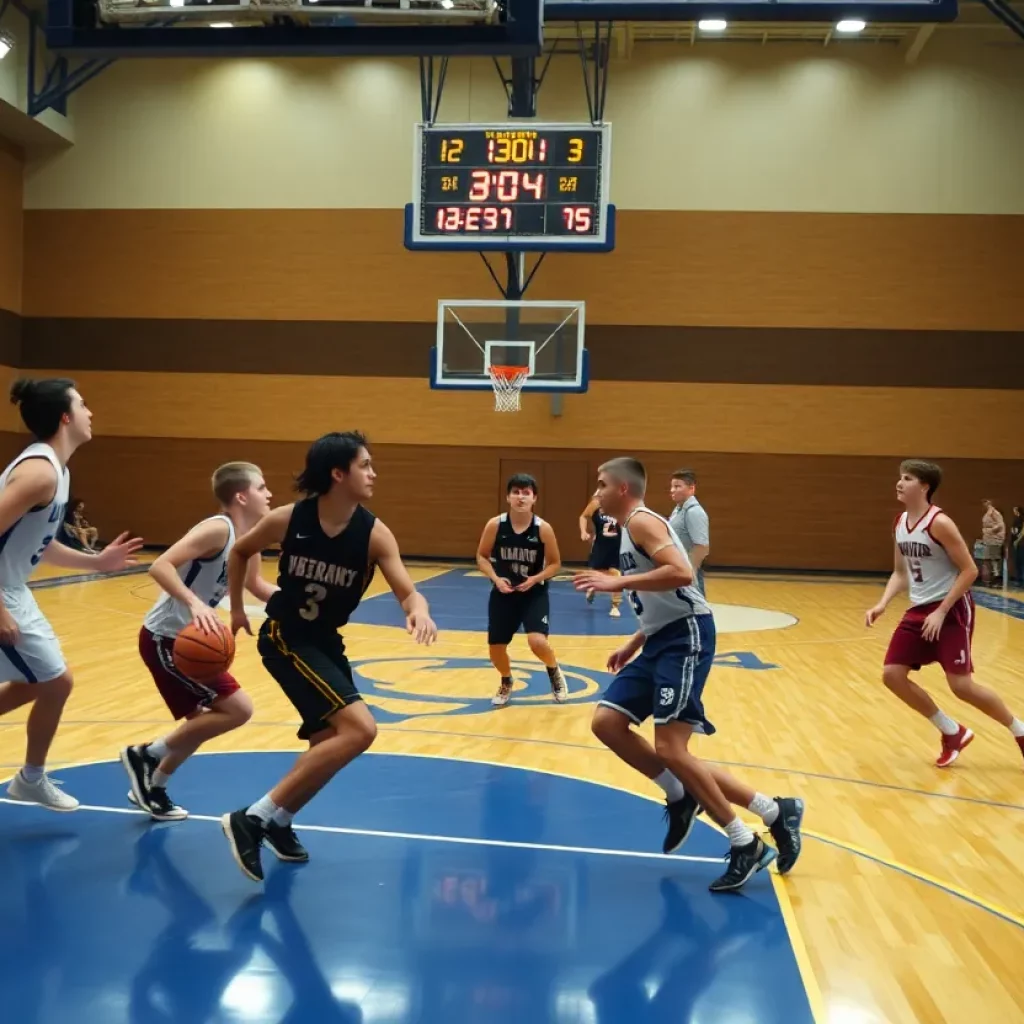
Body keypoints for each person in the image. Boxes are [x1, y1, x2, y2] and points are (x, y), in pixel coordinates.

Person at [575, 458, 803, 893]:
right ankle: (770, 810)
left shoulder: (642, 522)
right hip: (660, 637)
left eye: (601, 485)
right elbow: (665, 592)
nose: (597, 492)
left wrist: (616, 585)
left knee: (673, 748)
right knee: (607, 722)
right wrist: (635, 639)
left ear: (622, 488)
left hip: (687, 636)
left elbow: (682, 575)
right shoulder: (626, 528)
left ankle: (744, 842)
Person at [220, 432, 437, 882]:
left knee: (328, 746)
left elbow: (408, 590)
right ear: (338, 474)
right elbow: (241, 550)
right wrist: (239, 610)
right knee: (361, 729)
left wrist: (418, 612)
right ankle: (255, 818)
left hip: (326, 641)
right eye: (365, 465)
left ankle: (278, 821)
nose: (374, 473)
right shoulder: (290, 518)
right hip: (285, 636)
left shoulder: (374, 533)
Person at [0, 378, 142, 812]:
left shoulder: (56, 470)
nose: (90, 412)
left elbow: (39, 542)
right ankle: (31, 778)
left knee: (40, 681)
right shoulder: (40, 471)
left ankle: (31, 777)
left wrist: (96, 563)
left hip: (13, 588)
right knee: (55, 681)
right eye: (83, 404)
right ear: (65, 417)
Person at [119, 462, 278, 821]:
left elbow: (257, 586)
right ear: (241, 495)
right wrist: (194, 602)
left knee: (199, 722)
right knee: (238, 709)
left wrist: (300, 604)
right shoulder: (217, 528)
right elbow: (160, 565)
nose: (269, 494)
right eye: (262, 487)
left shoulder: (250, 539)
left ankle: (152, 784)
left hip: (189, 639)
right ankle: (145, 756)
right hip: (167, 638)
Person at [866, 460, 1024, 767]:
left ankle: (1020, 731)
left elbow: (970, 570)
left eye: (907, 478)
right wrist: (882, 603)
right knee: (892, 675)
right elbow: (900, 572)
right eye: (900, 478)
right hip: (918, 610)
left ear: (924, 487)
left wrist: (940, 611)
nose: (899, 483)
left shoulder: (939, 523)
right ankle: (952, 732)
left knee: (961, 686)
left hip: (951, 609)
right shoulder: (900, 522)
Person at [476, 473, 567, 708]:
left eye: (526, 493)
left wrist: (535, 578)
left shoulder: (543, 529)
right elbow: (482, 557)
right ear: (507, 497)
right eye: (516, 492)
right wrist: (495, 578)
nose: (520, 497)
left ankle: (553, 670)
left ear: (534, 498)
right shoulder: (495, 525)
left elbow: (556, 564)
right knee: (496, 649)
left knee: (537, 642)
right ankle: (506, 680)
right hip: (503, 593)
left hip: (533, 593)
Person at [578, 493, 622, 617]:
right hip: (600, 547)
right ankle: (592, 588)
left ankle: (615, 606)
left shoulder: (619, 506)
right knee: (595, 574)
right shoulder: (595, 504)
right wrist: (583, 532)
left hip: (616, 547)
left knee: (616, 575)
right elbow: (583, 516)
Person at [668, 470, 710, 597]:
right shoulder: (678, 509)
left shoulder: (694, 512)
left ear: (691, 488)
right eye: (671, 486)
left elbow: (702, 547)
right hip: (677, 570)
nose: (672, 490)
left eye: (677, 486)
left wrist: (690, 573)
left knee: (697, 613)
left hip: (688, 574)